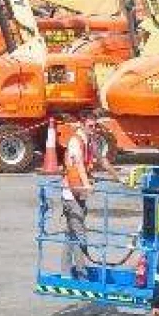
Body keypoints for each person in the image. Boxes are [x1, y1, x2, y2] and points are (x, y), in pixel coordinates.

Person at [59, 116, 96, 278]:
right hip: (71, 195)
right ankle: (82, 273)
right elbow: (79, 163)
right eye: (90, 126)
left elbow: (95, 162)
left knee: (71, 234)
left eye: (94, 126)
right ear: (82, 125)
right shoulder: (76, 141)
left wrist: (117, 177)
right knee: (80, 234)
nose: (93, 129)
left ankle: (65, 272)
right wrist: (87, 184)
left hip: (79, 194)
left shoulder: (88, 141)